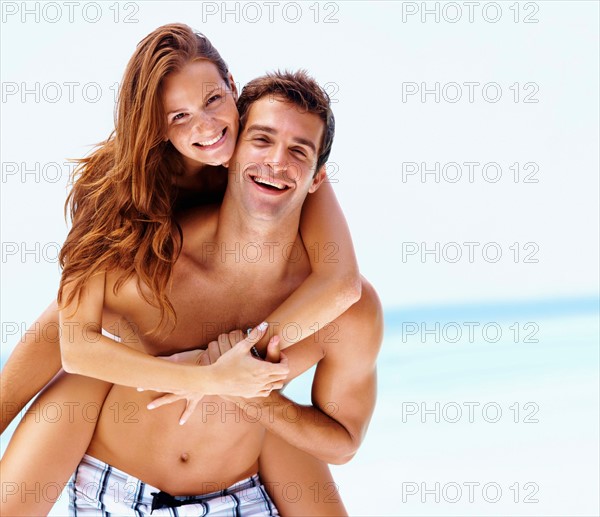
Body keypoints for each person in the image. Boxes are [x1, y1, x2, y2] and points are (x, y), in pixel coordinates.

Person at [0, 25, 366, 515]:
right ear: (156, 125)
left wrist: (240, 359)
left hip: (223, 378)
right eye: (179, 116)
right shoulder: (120, 188)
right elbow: (71, 341)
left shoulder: (273, 157)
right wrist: (209, 376)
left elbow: (340, 282)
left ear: (232, 87)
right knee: (71, 314)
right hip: (140, 317)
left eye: (213, 99)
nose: (207, 126)